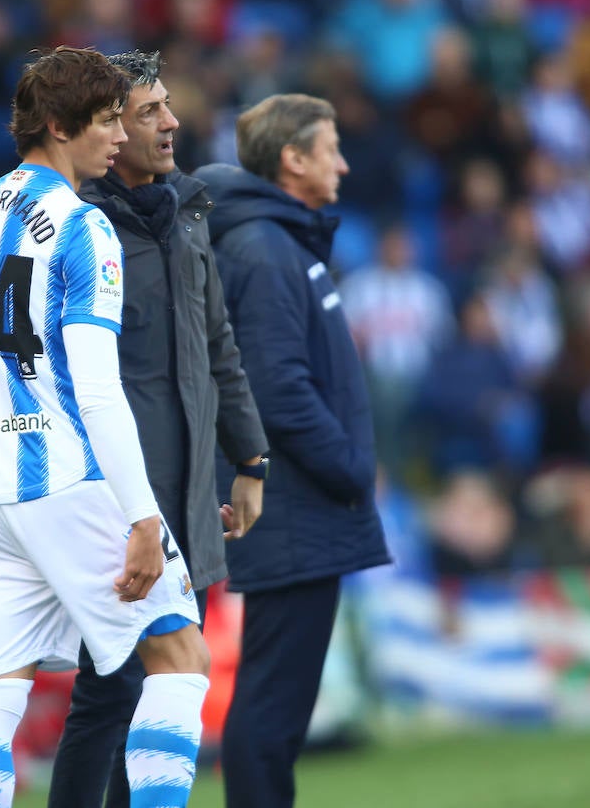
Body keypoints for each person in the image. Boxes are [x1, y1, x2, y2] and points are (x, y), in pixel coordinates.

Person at [0, 50, 270, 808]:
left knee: (126, 673)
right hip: (93, 483)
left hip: (166, 480)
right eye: (140, 114)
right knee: (126, 684)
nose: (170, 122)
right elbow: (20, 342)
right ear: (96, 126)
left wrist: (248, 454)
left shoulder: (186, 212)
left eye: (166, 107)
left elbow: (216, 341)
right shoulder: (72, 222)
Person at [194, 94, 392, 808]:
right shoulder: (267, 248)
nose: (342, 162)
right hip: (293, 505)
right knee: (273, 708)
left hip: (297, 505)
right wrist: (349, 467)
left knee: (278, 705)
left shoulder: (276, 241)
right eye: (329, 147)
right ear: (293, 158)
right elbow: (278, 388)